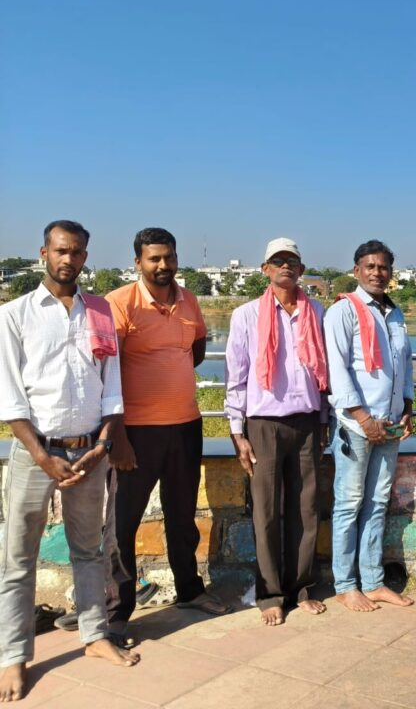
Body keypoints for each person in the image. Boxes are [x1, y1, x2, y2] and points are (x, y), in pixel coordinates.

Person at [0, 220, 140, 702]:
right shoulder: (15, 315)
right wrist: (42, 457)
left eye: (77, 252)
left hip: (89, 452)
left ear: (85, 257)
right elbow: (9, 397)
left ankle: (95, 635)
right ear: (44, 253)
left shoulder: (99, 312)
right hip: (34, 452)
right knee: (18, 558)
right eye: (61, 250)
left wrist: (103, 444)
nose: (69, 259)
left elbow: (112, 386)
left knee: (89, 550)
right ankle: (13, 656)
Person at [105, 228, 229, 637]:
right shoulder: (119, 303)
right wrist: (116, 436)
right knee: (122, 524)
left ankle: (189, 591)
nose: (163, 265)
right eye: (154, 258)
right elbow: (106, 372)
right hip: (135, 432)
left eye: (169, 257)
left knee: (182, 517)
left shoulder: (189, 299)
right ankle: (116, 611)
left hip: (185, 425)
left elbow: (195, 352)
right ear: (138, 262)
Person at [226, 238, 330, 626]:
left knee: (306, 509)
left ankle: (301, 588)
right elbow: (236, 376)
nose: (285, 266)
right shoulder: (247, 315)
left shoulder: (315, 312)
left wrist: (323, 420)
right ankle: (270, 593)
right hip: (264, 424)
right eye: (277, 260)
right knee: (266, 512)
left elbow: (324, 372)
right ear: (265, 269)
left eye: (292, 261)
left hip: (307, 421)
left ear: (301, 270)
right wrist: (237, 432)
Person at [325, 240, 414, 612]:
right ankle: (346, 585)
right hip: (356, 425)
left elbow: (404, 364)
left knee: (377, 503)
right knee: (348, 504)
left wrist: (408, 407)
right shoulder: (343, 311)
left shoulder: (394, 313)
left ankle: (373, 581)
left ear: (391, 273)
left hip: (389, 424)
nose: (377, 273)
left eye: (383, 267)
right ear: (357, 270)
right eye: (370, 266)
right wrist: (363, 418)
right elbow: (337, 369)